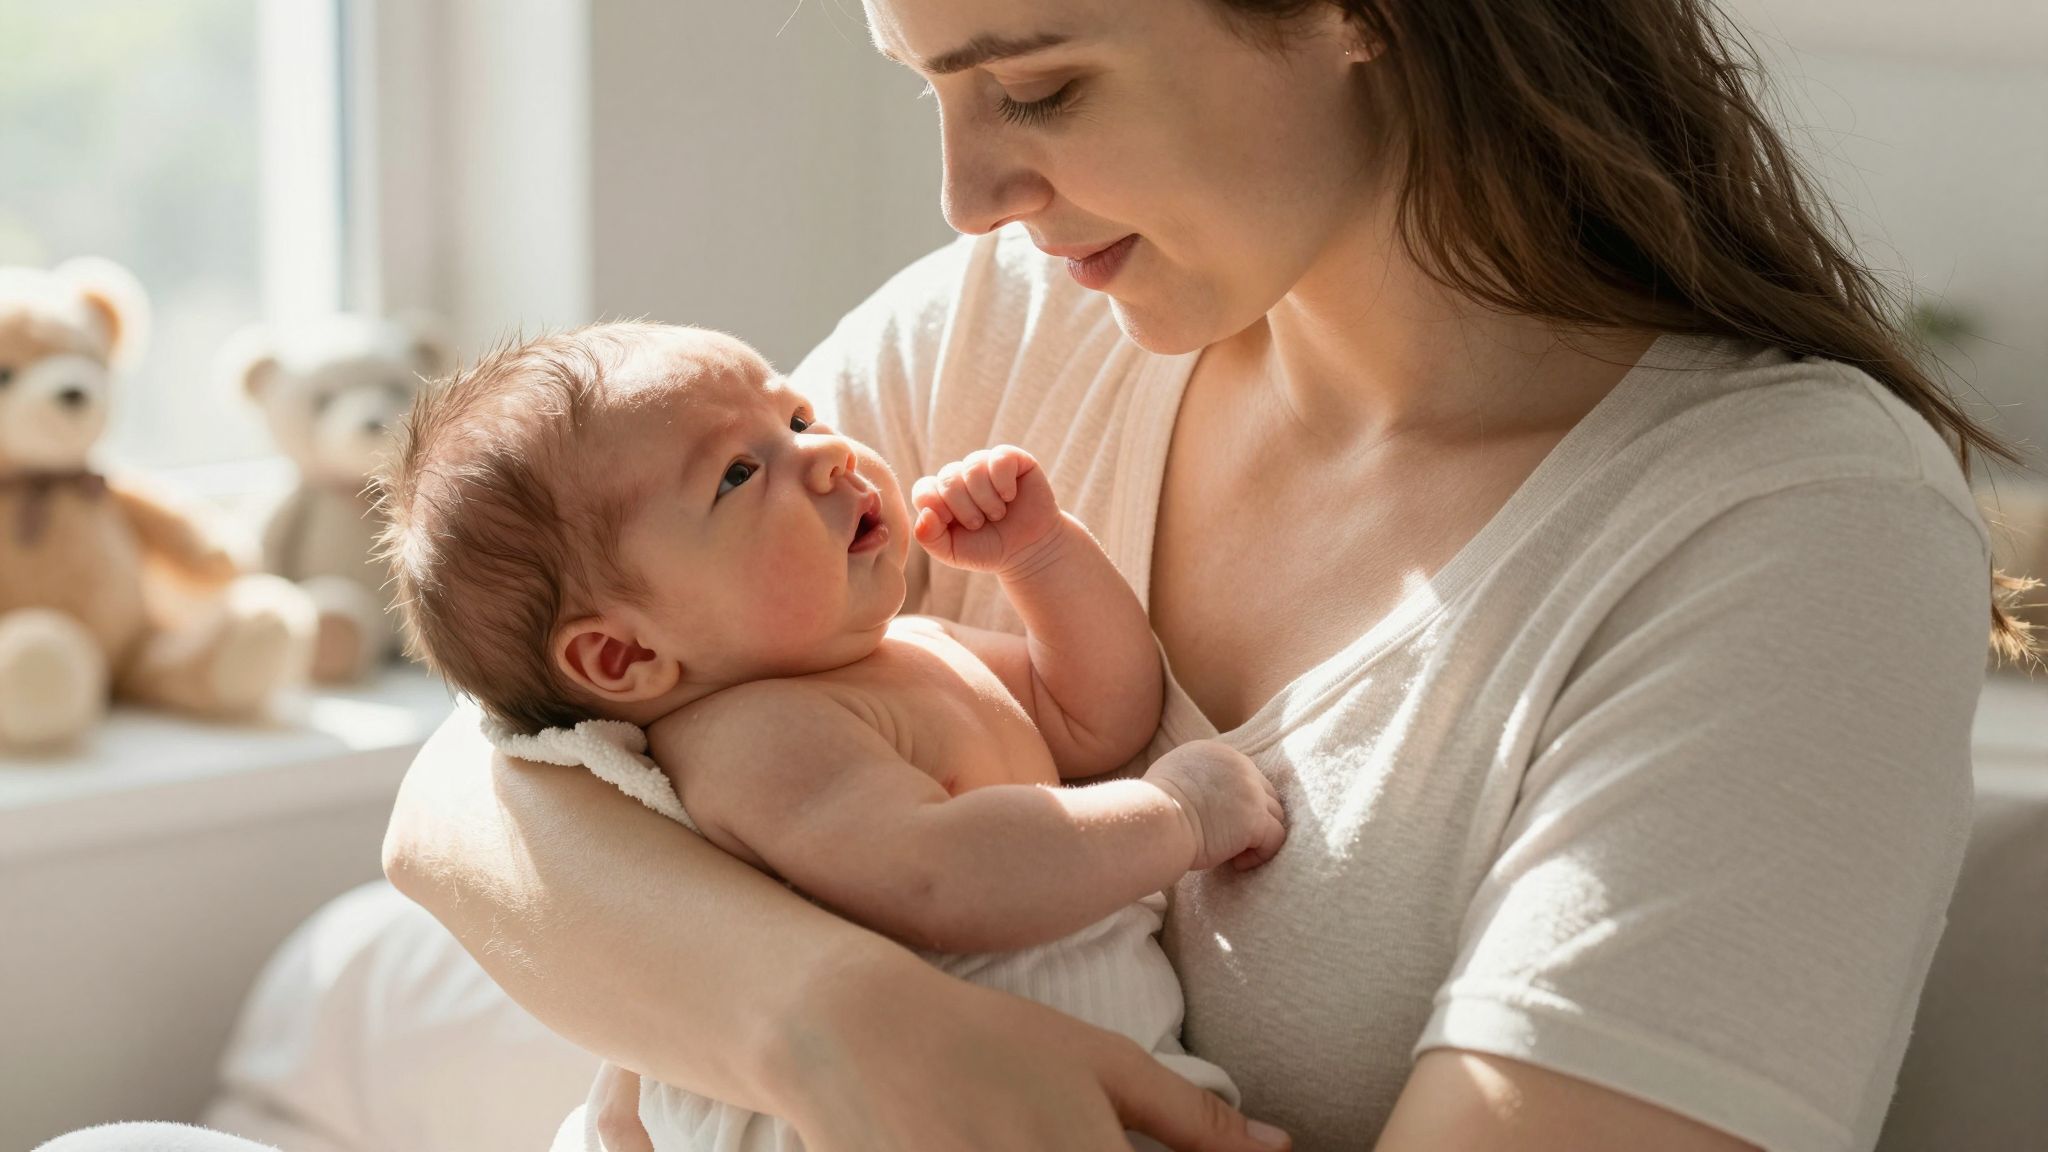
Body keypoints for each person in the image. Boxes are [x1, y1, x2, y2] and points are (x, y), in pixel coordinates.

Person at [49, 0, 2033, 1149]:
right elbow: (480, 787)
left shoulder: (1782, 533)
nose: (969, 194)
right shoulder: (1017, 323)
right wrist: (851, 1031)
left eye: (1039, 85)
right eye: (927, 87)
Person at [373, 321, 1283, 1148]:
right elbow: (940, 878)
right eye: (737, 475)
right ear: (624, 655)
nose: (827, 455)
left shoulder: (906, 650)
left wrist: (1040, 556)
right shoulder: (755, 737)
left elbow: (1094, 717)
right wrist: (1177, 816)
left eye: (799, 418)